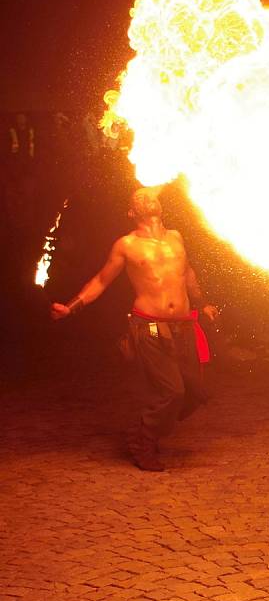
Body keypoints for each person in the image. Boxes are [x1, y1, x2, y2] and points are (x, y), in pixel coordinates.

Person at [51, 187, 218, 471]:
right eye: (138, 198)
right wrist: (71, 307)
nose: (145, 197)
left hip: (183, 326)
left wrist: (202, 304)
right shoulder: (126, 245)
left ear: (160, 206)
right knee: (172, 393)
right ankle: (144, 439)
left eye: (149, 195)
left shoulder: (176, 237)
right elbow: (101, 281)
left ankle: (157, 423)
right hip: (150, 328)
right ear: (131, 212)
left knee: (195, 393)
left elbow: (187, 273)